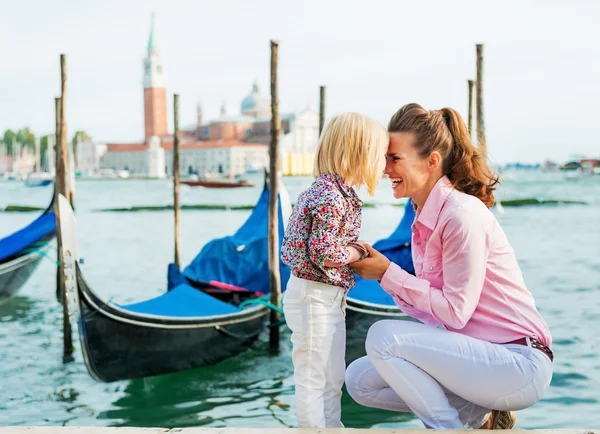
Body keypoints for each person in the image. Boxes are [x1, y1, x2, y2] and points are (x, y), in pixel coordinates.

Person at [345, 103, 553, 430]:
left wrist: (388, 273)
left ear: (431, 162)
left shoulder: (460, 214)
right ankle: (478, 416)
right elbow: (432, 316)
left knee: (382, 336)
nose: (385, 169)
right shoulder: (422, 220)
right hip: (477, 363)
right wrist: (380, 273)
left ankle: (448, 429)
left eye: (394, 158)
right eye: (385, 158)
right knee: (359, 379)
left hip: (518, 365)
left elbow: (455, 312)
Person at [281, 112, 388, 428]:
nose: (385, 163)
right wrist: (356, 250)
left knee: (332, 377)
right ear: (360, 154)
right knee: (313, 378)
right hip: (313, 297)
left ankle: (332, 428)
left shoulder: (338, 193)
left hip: (326, 297)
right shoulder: (330, 195)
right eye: (380, 155)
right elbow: (325, 253)